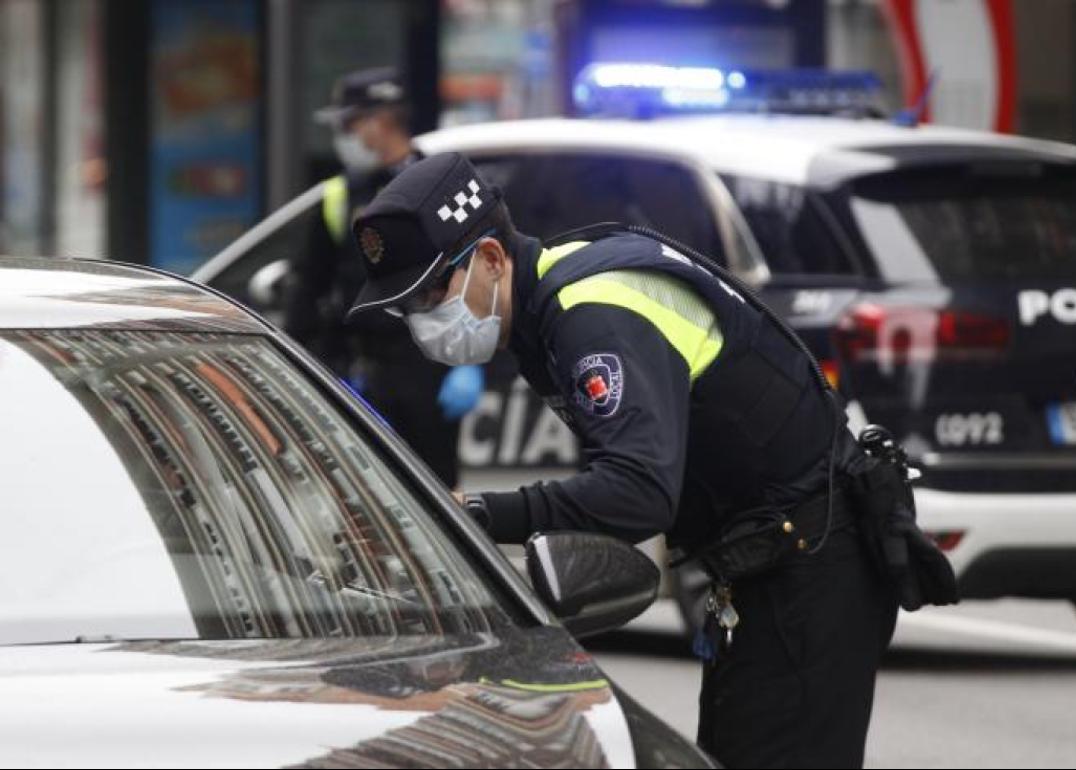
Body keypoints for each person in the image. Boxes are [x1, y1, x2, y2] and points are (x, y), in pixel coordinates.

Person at [343, 152, 901, 768]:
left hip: (809, 565)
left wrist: (474, 514)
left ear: (493, 259)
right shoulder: (549, 301)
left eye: (430, 294)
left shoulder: (592, 313)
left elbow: (637, 490)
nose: (422, 320)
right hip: (775, 563)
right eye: (407, 308)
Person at [284, 67, 480, 488]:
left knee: (436, 493)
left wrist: (476, 363)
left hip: (430, 367)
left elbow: (482, 271)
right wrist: (308, 365)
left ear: (381, 120)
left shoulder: (442, 182)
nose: (342, 136)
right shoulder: (342, 193)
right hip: (361, 368)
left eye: (348, 124)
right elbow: (309, 284)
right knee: (366, 493)